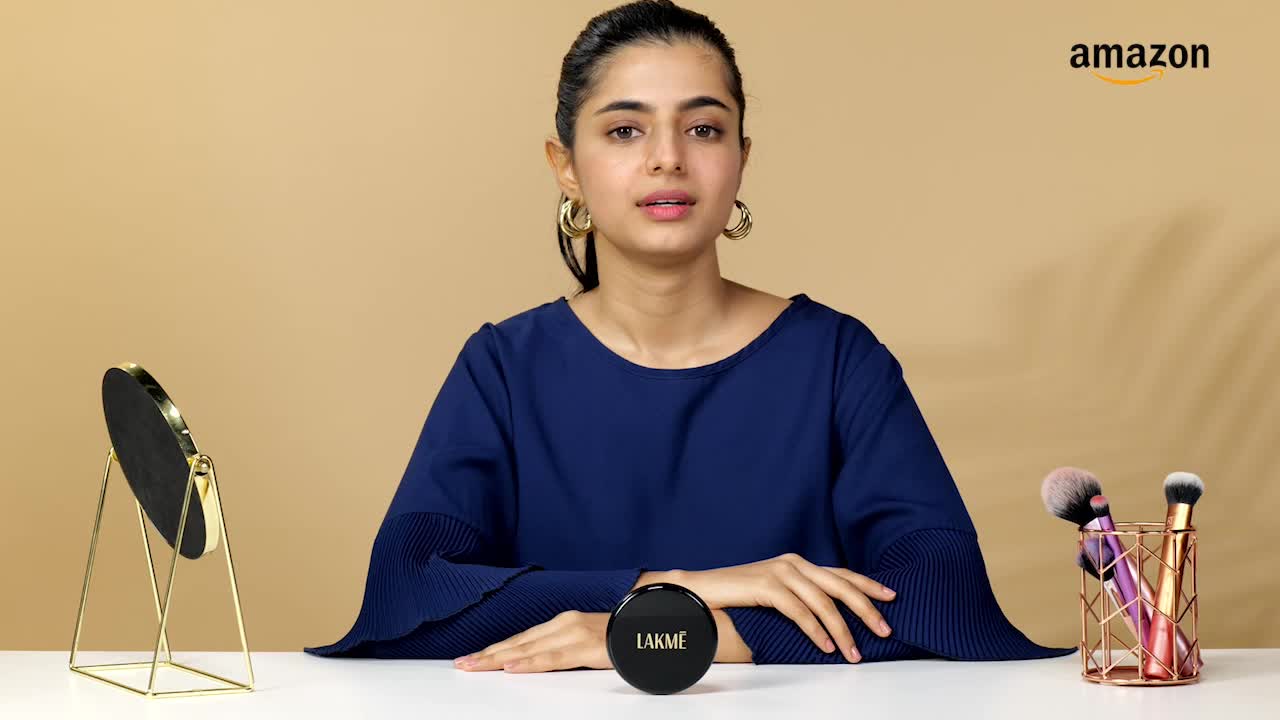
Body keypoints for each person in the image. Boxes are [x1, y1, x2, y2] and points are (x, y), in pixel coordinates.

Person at [304, 0, 1074, 672]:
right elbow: (408, 593)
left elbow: (942, 595)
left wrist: (663, 634)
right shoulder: (503, 368)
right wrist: (677, 590)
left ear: (741, 158)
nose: (668, 158)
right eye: (625, 130)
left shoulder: (838, 359)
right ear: (566, 167)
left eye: (704, 128)